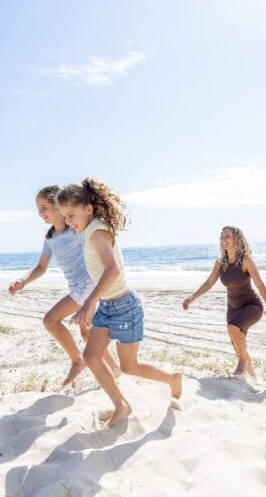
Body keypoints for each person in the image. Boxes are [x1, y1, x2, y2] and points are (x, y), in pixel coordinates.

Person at [56, 178, 183, 428]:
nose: (69, 222)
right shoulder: (90, 230)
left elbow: (111, 270)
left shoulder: (97, 232)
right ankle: (121, 406)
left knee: (129, 366)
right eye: (65, 217)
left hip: (125, 306)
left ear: (89, 208)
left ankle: (173, 379)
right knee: (91, 356)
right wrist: (94, 304)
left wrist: (88, 303)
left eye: (72, 215)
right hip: (107, 306)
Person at [8, 185, 120, 387]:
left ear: (58, 207)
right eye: (38, 209)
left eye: (44, 207)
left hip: (88, 283)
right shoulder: (50, 238)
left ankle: (78, 361)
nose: (40, 213)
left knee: (51, 320)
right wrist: (23, 281)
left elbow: (98, 233)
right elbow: (41, 267)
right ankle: (114, 369)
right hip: (77, 286)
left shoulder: (77, 230)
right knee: (87, 332)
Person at [182, 226, 266, 379]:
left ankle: (242, 363)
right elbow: (209, 283)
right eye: (221, 236)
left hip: (251, 306)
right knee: (239, 346)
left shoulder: (245, 260)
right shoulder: (221, 262)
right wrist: (191, 298)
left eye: (227, 236)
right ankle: (254, 379)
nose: (223, 239)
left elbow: (259, 284)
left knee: (233, 328)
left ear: (236, 239)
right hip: (233, 308)